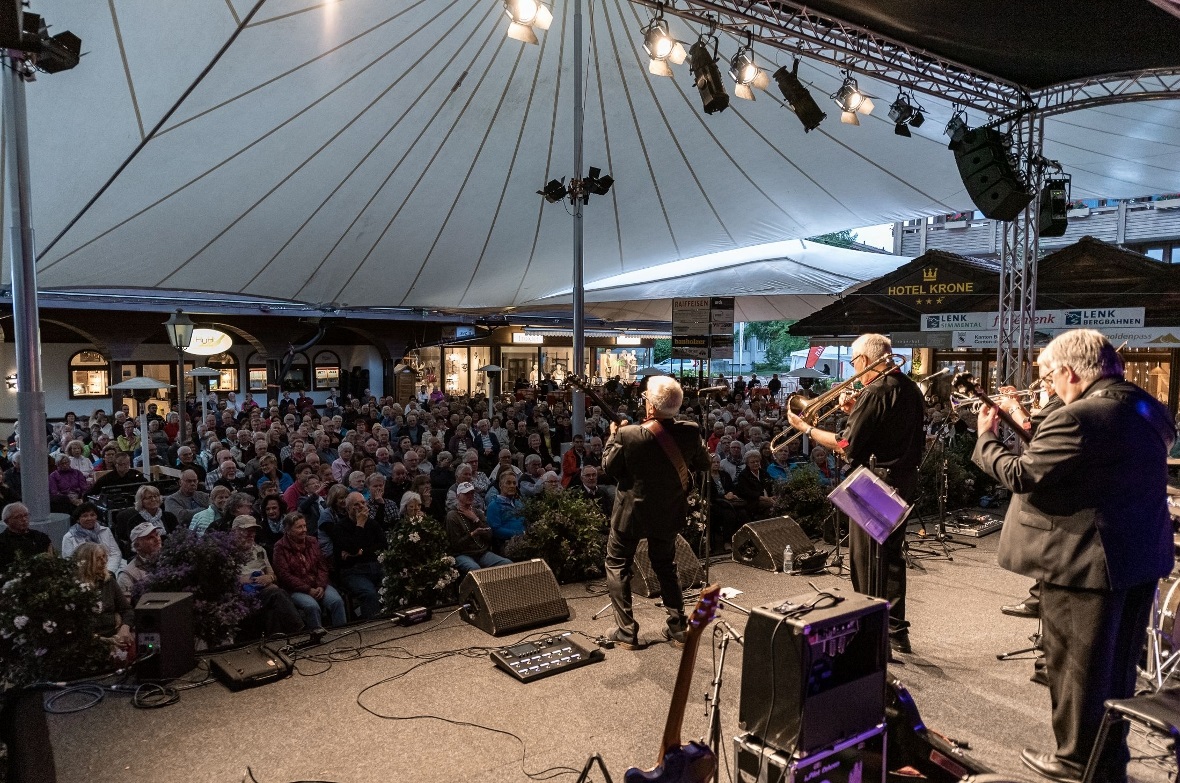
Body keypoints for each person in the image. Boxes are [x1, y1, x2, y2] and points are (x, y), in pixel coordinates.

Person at [972, 329, 1175, 783]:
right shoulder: (1147, 407)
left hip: (1084, 563)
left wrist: (986, 437)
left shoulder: (1080, 417)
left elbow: (1022, 475)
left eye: (1047, 375)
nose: (1049, 385)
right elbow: (1089, 468)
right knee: (1117, 669)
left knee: (1075, 671)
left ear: (1068, 370)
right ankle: (1107, 760)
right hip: (1138, 557)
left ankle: (1074, 761)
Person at [786, 333, 924, 655]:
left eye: (853, 362)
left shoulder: (874, 391)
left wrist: (804, 429)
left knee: (866, 560)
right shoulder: (909, 388)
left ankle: (872, 633)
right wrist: (853, 411)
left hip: (876, 483)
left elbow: (847, 446)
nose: (853, 368)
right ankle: (894, 630)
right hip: (903, 480)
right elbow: (880, 434)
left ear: (865, 359)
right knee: (889, 558)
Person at [602, 375, 710, 649]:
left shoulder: (629, 435)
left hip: (631, 514)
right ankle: (677, 627)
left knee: (617, 564)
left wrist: (613, 435)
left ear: (650, 406)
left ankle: (627, 632)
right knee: (665, 565)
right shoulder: (690, 431)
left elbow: (609, 469)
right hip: (667, 512)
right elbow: (703, 463)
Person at [273, 512, 347, 632]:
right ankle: (317, 638)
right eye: (299, 527)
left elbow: (322, 566)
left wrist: (320, 586)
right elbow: (284, 575)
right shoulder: (280, 547)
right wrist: (308, 589)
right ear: (288, 530)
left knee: (336, 602)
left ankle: (342, 633)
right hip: (295, 589)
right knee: (312, 606)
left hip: (318, 584)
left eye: (304, 526)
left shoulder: (312, 541)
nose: (304, 530)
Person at [232, 515, 305, 636]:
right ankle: (299, 630)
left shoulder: (259, 550)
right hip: (242, 594)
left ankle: (276, 641)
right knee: (276, 594)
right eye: (247, 531)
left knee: (274, 606)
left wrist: (269, 578)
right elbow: (226, 581)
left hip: (262, 591)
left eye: (253, 531)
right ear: (235, 532)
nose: (251, 535)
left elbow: (272, 574)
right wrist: (246, 580)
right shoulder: (228, 552)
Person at [73, 541, 135, 660]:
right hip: (93, 641)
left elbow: (127, 610)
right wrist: (106, 641)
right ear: (86, 563)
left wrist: (125, 628)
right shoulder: (75, 589)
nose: (104, 561)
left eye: (104, 557)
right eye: (98, 559)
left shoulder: (109, 581)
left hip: (115, 635)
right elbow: (79, 629)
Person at [331, 492, 387, 620]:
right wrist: (360, 525)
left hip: (375, 566)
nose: (361, 506)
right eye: (356, 504)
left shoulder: (372, 524)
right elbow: (353, 548)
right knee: (369, 594)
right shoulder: (340, 528)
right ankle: (373, 626)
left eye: (363, 503)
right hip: (353, 571)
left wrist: (361, 552)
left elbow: (383, 545)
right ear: (348, 508)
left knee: (392, 584)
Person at [445, 482, 511, 576]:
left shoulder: (477, 512)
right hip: (462, 554)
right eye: (466, 493)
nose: (470, 496)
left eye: (472, 493)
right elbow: (456, 545)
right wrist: (473, 534)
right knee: (475, 569)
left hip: (481, 553)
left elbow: (489, 536)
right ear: (458, 496)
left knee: (507, 563)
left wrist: (476, 520)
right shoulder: (452, 516)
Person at [62, 502, 125, 574]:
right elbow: (69, 562)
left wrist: (109, 571)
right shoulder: (69, 537)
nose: (89, 518)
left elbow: (115, 553)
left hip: (110, 568)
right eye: (85, 516)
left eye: (92, 515)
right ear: (78, 519)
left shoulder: (105, 530)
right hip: (84, 573)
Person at [0, 503, 52, 569]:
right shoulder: (2, 542)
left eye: (26, 515)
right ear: (7, 521)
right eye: (18, 517)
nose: (24, 519)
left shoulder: (41, 537)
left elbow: (50, 560)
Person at [116, 522, 161, 599]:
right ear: (137, 546)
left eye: (157, 535)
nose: (157, 539)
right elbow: (126, 608)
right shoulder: (127, 575)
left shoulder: (172, 560)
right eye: (150, 538)